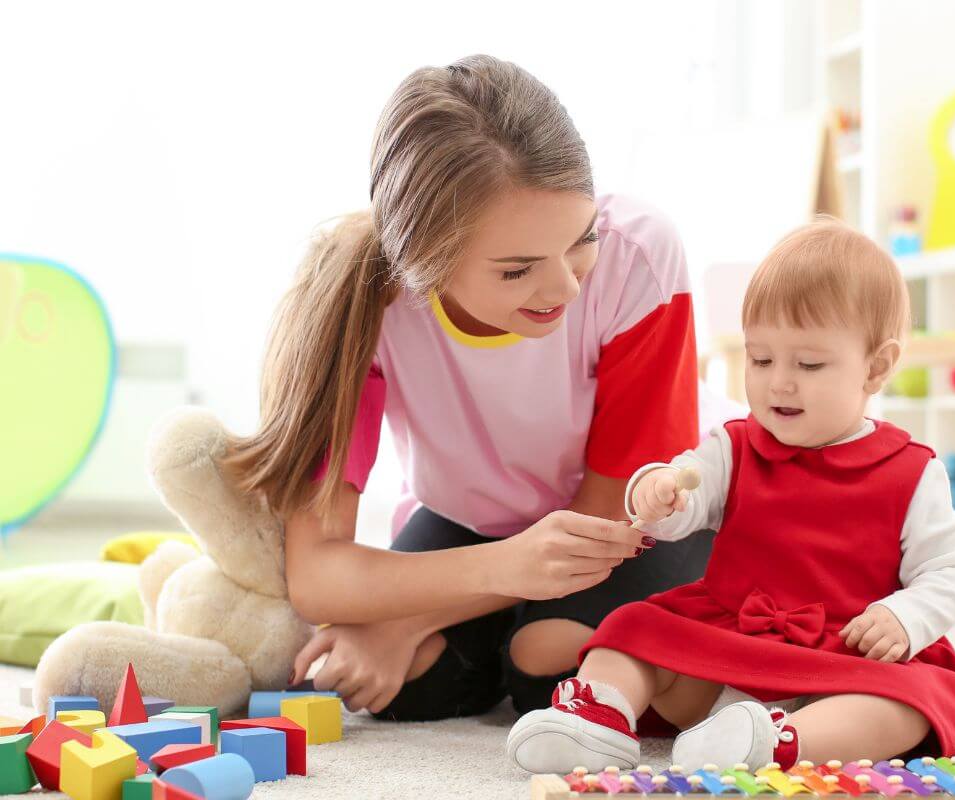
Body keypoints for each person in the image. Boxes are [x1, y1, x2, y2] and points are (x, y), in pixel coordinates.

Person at [221, 54, 715, 724]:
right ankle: (507, 624)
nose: (566, 287)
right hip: (476, 525)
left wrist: (404, 619)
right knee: (398, 691)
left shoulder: (641, 255)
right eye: (517, 271)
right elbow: (318, 577)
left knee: (557, 678)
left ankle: (516, 632)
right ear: (422, 264)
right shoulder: (364, 308)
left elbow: (609, 519)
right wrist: (503, 572)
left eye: (580, 239)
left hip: (630, 520)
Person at [506, 218, 955, 774]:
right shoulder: (734, 445)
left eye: (808, 364)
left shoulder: (911, 470)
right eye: (761, 359)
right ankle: (597, 720)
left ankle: (778, 743)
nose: (779, 382)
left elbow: (950, 573)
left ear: (875, 367)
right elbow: (684, 486)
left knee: (911, 704)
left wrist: (903, 618)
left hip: (839, 659)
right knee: (630, 629)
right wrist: (657, 492)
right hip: (726, 644)